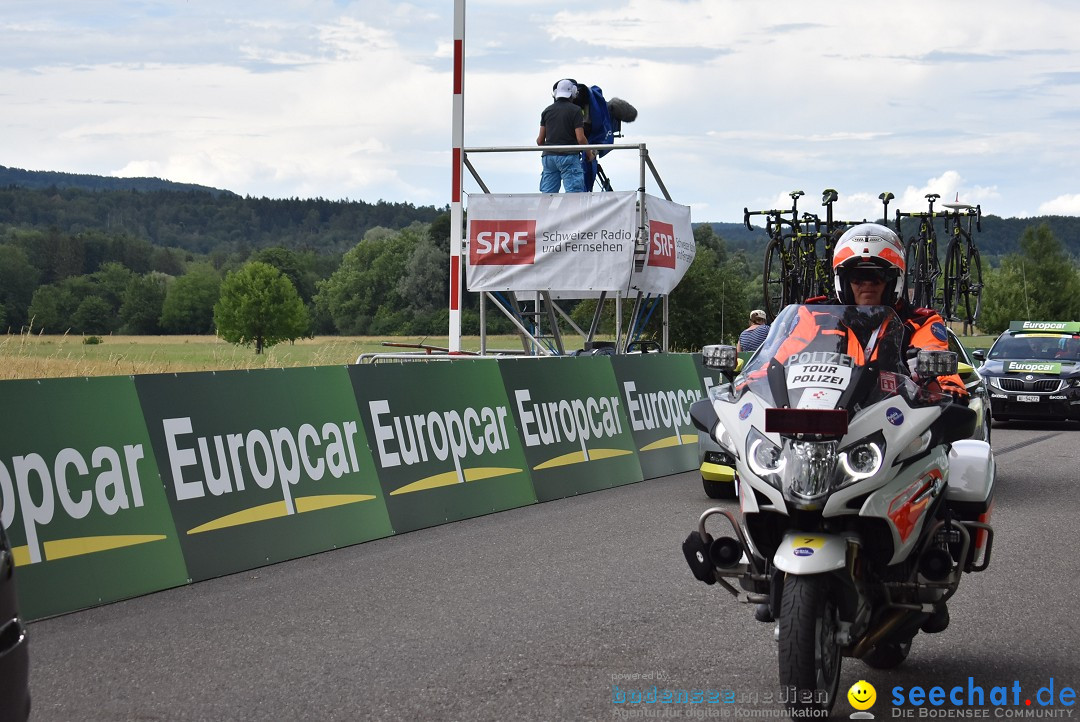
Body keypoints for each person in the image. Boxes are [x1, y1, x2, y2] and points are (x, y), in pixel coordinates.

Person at [536, 79, 593, 193]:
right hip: (568, 157)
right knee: (573, 194)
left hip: (549, 158)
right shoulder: (576, 110)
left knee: (547, 194)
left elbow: (540, 141)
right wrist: (590, 154)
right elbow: (580, 138)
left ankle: (542, 212)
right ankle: (572, 212)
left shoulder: (547, 111)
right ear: (573, 92)